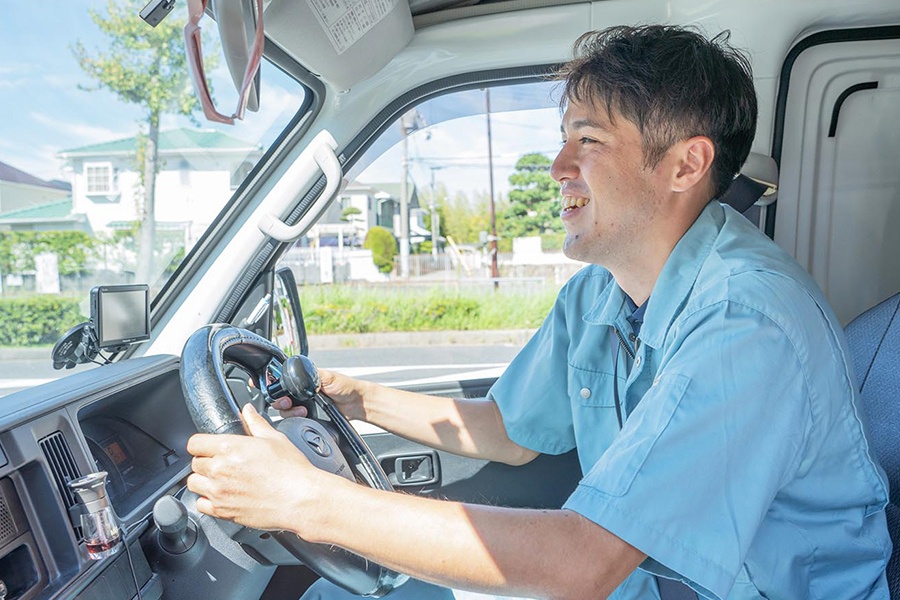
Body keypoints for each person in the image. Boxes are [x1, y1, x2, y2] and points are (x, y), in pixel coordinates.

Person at [186, 25, 891, 599]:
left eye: (588, 140)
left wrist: (306, 501)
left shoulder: (748, 320)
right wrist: (358, 397)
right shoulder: (603, 292)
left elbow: (586, 563)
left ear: (684, 165)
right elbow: (512, 432)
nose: (557, 166)